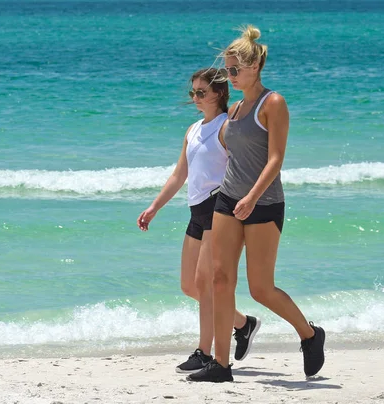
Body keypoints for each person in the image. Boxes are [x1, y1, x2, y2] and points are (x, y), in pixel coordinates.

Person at [187, 26, 325, 383]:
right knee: (220, 280)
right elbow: (227, 157)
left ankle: (310, 334)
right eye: (227, 70)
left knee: (260, 288)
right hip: (228, 201)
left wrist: (252, 197)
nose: (229, 76)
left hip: (263, 204)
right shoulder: (232, 110)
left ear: (255, 67)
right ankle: (220, 365)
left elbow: (275, 159)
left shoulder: (273, 103)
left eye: (234, 70)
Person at [137, 68, 261, 374]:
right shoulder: (192, 130)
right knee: (189, 285)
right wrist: (155, 207)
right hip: (196, 211)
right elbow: (180, 174)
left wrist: (248, 202)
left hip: (219, 208)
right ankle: (243, 324)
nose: (196, 97)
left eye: (201, 92)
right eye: (193, 92)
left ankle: (205, 353)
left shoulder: (225, 127)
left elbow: (245, 166)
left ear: (218, 93)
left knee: (206, 285)